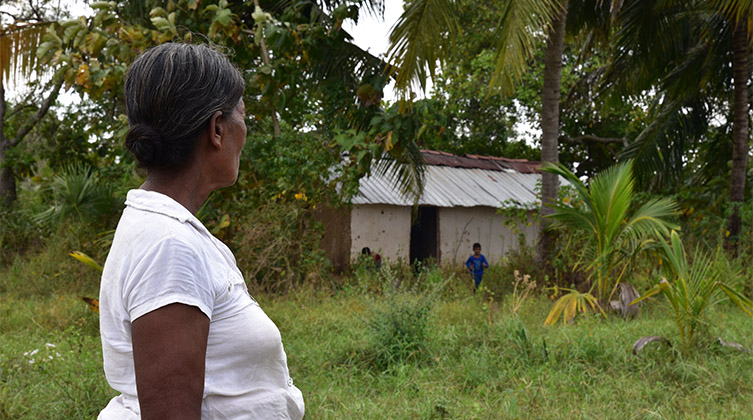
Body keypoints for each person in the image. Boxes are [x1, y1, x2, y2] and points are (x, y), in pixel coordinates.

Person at [97, 43, 304, 420]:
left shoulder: (170, 231)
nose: (247, 130)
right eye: (243, 115)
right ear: (217, 129)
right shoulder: (169, 247)